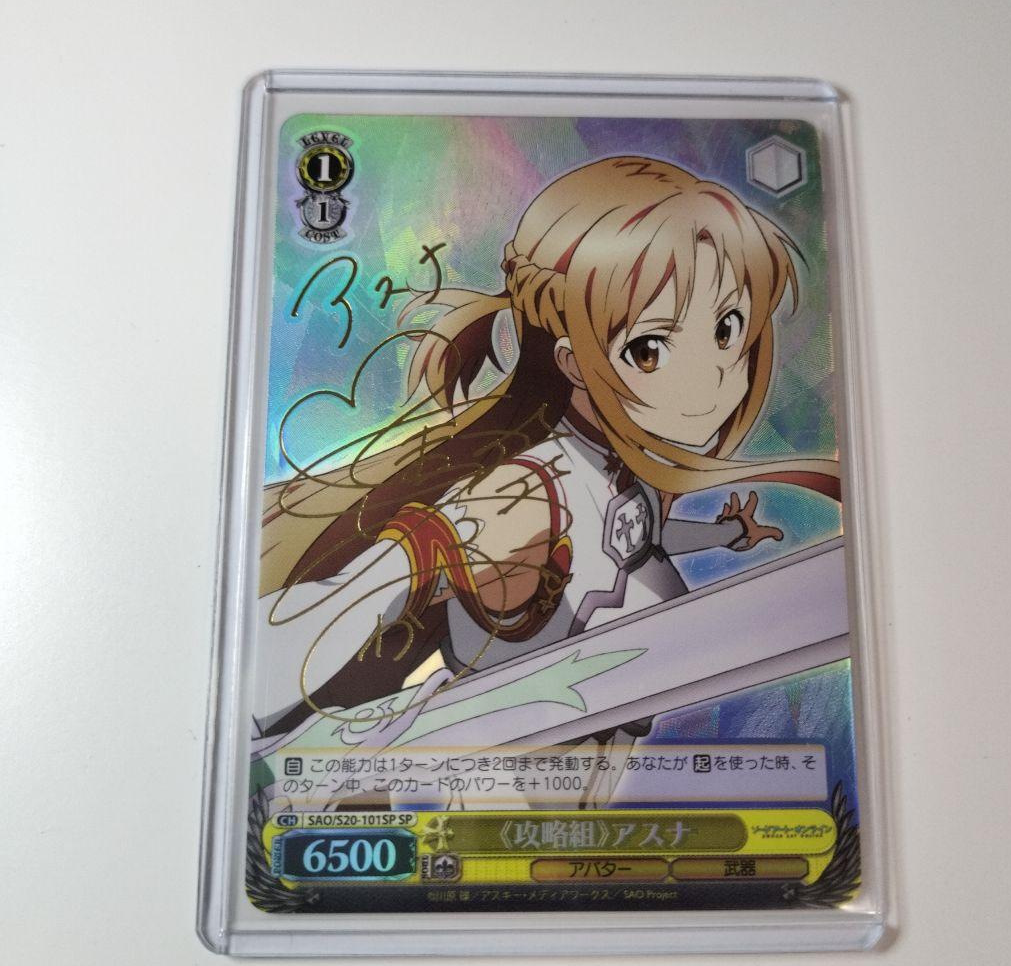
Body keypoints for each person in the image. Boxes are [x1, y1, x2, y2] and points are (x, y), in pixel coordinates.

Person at [254, 156, 841, 749]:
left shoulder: (620, 461)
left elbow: (637, 538)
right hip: (516, 773)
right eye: (649, 349)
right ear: (571, 361)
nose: (713, 377)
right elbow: (348, 607)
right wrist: (260, 687)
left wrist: (724, 535)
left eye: (727, 329)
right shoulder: (526, 491)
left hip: (603, 754)